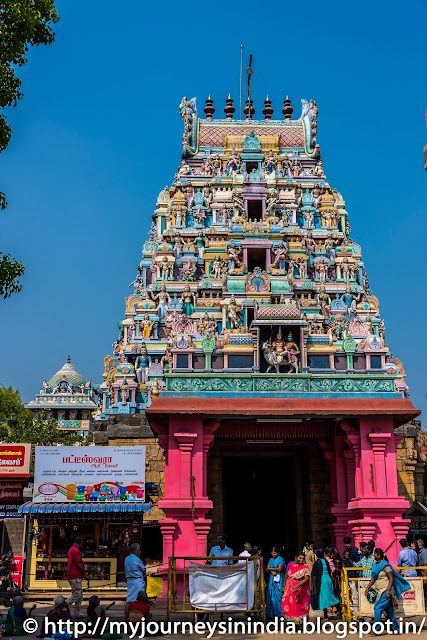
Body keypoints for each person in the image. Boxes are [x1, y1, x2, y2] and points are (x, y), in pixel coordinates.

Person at [364, 548, 410, 633]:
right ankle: (396, 629)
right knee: (389, 611)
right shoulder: (375, 565)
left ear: (379, 555)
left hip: (385, 590)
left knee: (377, 608)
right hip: (378, 590)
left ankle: (376, 629)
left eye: (375, 554)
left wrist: (388, 590)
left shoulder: (386, 565)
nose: (373, 556)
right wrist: (368, 587)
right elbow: (373, 578)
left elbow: (391, 578)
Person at [281, 552, 311, 623]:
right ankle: (290, 622)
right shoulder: (292, 566)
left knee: (299, 606)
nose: (301, 560)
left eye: (303, 559)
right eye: (300, 558)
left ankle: (300, 623)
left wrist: (297, 585)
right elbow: (287, 575)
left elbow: (306, 578)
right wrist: (284, 586)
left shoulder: (305, 567)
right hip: (290, 588)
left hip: (301, 589)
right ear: (296, 557)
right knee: (287, 604)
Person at [310, 550, 340, 618]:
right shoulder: (325, 561)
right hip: (328, 580)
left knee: (324, 598)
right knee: (331, 596)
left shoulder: (317, 562)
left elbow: (314, 574)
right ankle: (338, 608)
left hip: (322, 581)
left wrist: (313, 584)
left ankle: (326, 615)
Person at [66, 536, 85, 618]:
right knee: (76, 595)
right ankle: (62, 605)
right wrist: (84, 572)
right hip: (74, 575)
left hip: (75, 575)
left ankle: (76, 613)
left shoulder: (73, 550)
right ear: (79, 543)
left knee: (80, 596)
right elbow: (78, 563)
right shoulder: (75, 550)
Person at [124, 543, 146, 619]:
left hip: (130, 580)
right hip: (137, 581)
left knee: (129, 600)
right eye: (139, 550)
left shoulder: (127, 558)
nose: (140, 552)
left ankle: (126, 618)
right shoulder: (137, 559)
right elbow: (143, 569)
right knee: (141, 599)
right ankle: (141, 616)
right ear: (136, 550)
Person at [342, 537, 360, 613]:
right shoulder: (343, 553)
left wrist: (348, 558)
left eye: (349, 543)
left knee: (354, 596)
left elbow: (358, 565)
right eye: (346, 544)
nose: (348, 545)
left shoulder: (355, 552)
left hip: (353, 576)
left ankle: (355, 616)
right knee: (345, 595)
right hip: (346, 577)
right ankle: (352, 611)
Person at [266, 546, 285, 618]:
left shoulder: (280, 559)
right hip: (271, 580)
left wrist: (270, 568)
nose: (273, 554)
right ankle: (271, 613)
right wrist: (271, 571)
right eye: (272, 553)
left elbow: (280, 569)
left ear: (278, 553)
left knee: (278, 596)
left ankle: (279, 613)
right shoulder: (271, 560)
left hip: (278, 580)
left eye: (275, 553)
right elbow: (266, 570)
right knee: (270, 596)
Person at [417, 539, 427, 606]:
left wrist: (424, 577)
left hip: (423, 574)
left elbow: (425, 565)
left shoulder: (423, 552)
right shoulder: (420, 552)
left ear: (421, 545)